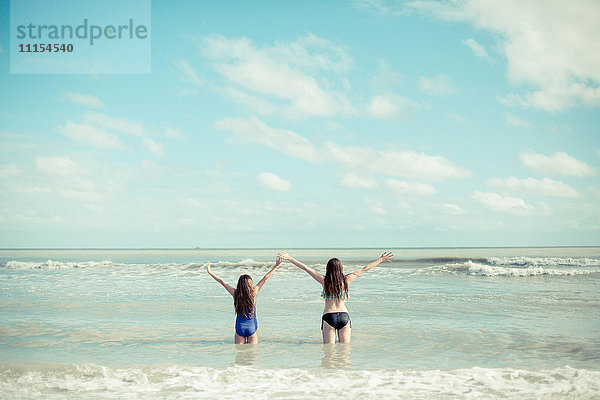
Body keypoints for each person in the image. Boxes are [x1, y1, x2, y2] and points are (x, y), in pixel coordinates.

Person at [277, 251, 393, 344]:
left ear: (328, 268)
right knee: (345, 352)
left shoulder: (324, 281)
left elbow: (306, 268)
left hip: (329, 316)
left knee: (329, 353)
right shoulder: (347, 280)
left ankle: (330, 373)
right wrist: (381, 259)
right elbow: (365, 269)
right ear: (340, 268)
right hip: (344, 316)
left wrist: (290, 258)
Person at [206, 256, 281, 344]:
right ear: (250, 284)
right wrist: (276, 266)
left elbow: (222, 282)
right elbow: (265, 278)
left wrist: (210, 272)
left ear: (239, 284)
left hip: (240, 327)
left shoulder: (235, 293)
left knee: (240, 354)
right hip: (252, 326)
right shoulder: (253, 293)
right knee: (252, 354)